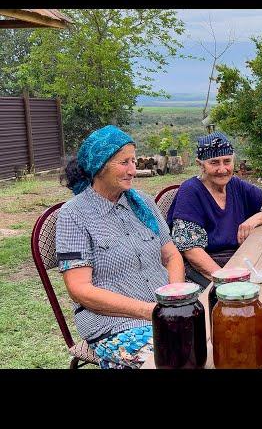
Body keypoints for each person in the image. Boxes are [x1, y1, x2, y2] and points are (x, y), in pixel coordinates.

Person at [56, 125, 184, 369]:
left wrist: (174, 297)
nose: (133, 170)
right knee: (176, 358)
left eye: (133, 161)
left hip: (164, 313)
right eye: (124, 162)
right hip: (113, 325)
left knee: (215, 339)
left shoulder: (143, 203)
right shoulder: (74, 215)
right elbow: (79, 289)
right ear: (99, 166)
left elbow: (171, 254)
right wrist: (151, 311)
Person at [167, 132, 262, 287]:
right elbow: (192, 251)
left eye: (227, 161)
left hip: (240, 259)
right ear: (200, 164)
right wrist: (228, 282)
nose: (222, 169)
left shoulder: (235, 185)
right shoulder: (190, 191)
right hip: (207, 269)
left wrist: (253, 220)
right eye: (214, 162)